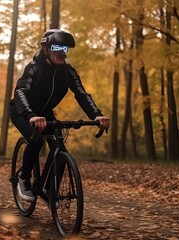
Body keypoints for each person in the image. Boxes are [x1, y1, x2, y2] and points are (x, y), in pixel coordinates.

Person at [9, 29, 110, 202]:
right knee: (35, 141)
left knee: (60, 149)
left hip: (45, 113)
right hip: (22, 110)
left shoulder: (68, 71)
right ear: (46, 49)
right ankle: (23, 179)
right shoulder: (34, 68)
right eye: (56, 47)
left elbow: (81, 94)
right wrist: (30, 115)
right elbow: (21, 91)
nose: (62, 52)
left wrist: (97, 115)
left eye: (65, 49)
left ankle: (48, 189)